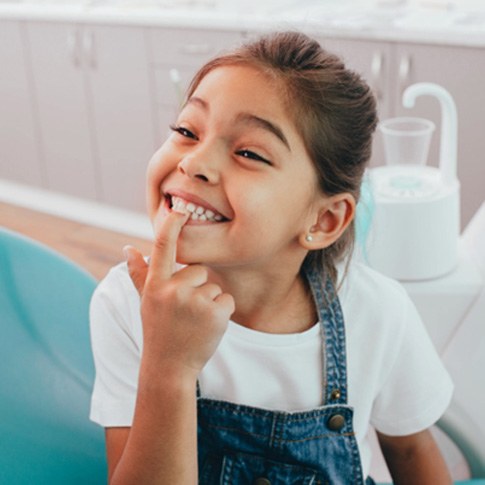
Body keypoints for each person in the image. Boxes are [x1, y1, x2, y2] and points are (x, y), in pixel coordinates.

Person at [89, 31, 453, 484]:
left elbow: (414, 450)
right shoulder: (125, 303)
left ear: (322, 221)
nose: (194, 162)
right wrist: (169, 367)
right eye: (187, 131)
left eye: (248, 152)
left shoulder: (380, 312)